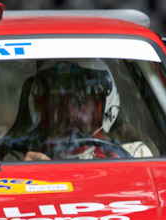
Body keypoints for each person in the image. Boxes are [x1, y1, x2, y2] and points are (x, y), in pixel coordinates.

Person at [14, 59, 153, 161]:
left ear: (102, 109)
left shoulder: (134, 155)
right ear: (44, 112)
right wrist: (27, 175)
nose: (69, 113)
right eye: (58, 103)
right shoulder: (19, 161)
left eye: (81, 103)